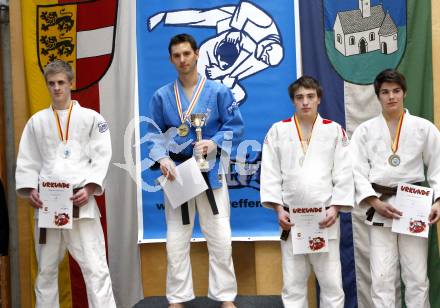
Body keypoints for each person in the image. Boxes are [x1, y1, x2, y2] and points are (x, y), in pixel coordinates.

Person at [146, 33, 243, 308]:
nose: (182, 60)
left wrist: (213, 142)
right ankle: (177, 297)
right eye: (176, 55)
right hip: (177, 174)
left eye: (186, 54)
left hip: (210, 172)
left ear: (197, 54)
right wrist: (162, 159)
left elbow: (236, 125)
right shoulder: (162, 96)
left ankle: (225, 296)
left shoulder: (219, 91)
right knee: (176, 241)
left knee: (221, 237)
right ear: (170, 59)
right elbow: (152, 134)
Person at [15, 60, 116, 308]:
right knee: (46, 271)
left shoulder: (92, 118)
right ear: (47, 85)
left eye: (61, 82)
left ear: (71, 83)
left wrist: (90, 187)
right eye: (51, 83)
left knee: (96, 269)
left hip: (80, 201)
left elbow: (102, 155)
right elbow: (28, 161)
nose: (57, 88)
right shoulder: (36, 122)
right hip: (48, 205)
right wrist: (30, 191)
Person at [260, 76, 353, 308]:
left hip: (325, 218)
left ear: (319, 99)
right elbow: (270, 172)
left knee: (331, 283)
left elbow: (344, 171)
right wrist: (278, 209)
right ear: (293, 101)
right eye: (300, 97)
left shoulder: (334, 130)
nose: (305, 102)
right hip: (291, 220)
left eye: (310, 96)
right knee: (293, 284)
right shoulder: (278, 130)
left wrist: (337, 207)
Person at [351, 68, 440, 308]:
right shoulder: (365, 131)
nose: (391, 96)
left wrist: (438, 201)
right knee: (381, 276)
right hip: (380, 203)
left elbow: (437, 165)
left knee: (417, 275)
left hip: (415, 203)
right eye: (385, 92)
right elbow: (356, 170)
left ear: (405, 93)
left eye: (396, 91)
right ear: (378, 96)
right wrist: (373, 201)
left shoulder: (424, 128)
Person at [148, 1, 283, 104]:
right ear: (269, 45)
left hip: (230, 49)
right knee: (201, 17)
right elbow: (245, 6)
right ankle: (164, 17)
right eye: (264, 55)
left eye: (265, 59)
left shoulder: (266, 60)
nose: (262, 58)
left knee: (227, 85)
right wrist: (236, 29)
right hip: (233, 20)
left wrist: (224, 74)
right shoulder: (266, 24)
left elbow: (244, 69)